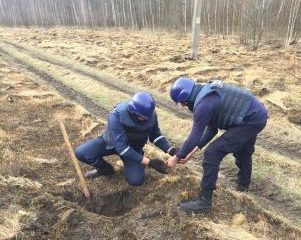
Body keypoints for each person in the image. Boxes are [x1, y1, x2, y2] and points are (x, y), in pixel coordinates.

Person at [166, 76, 268, 213]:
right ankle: (243, 188)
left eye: (182, 103)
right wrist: (191, 152)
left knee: (212, 153)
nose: (184, 106)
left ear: (185, 98)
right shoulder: (206, 92)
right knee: (243, 152)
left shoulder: (203, 105)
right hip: (255, 114)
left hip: (251, 119)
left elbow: (194, 135)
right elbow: (212, 129)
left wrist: (177, 157)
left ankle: (204, 201)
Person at [75, 91, 177, 186]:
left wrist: (170, 150)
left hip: (134, 148)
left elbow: (155, 135)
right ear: (134, 112)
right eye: (144, 117)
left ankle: (132, 167)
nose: (147, 119)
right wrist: (150, 162)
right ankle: (105, 169)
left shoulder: (150, 115)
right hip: (109, 143)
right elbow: (122, 149)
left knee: (136, 181)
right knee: (82, 152)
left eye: (148, 117)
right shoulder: (117, 115)